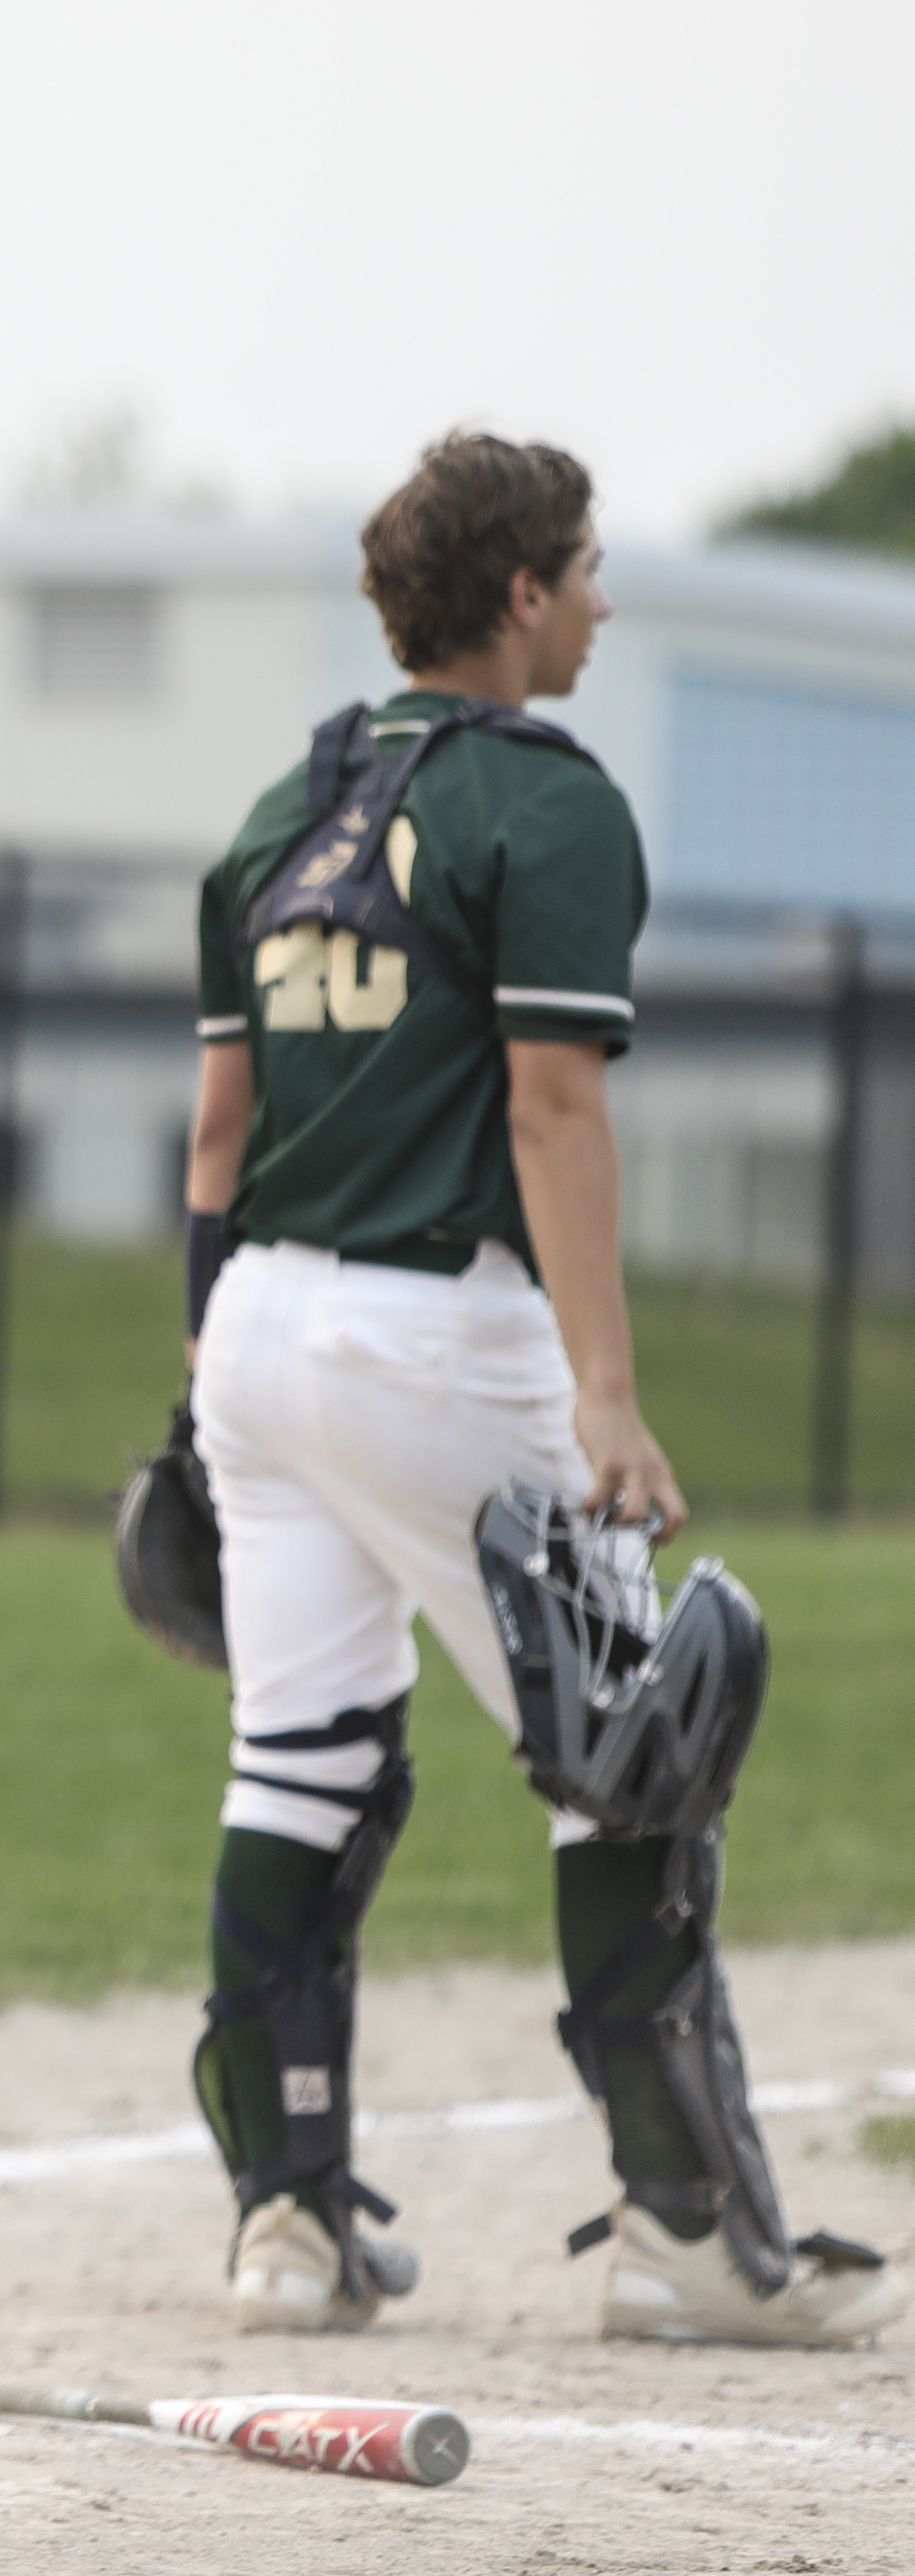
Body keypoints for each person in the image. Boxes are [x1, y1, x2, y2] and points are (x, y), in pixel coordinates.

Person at [179, 430, 899, 2345]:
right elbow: (551, 1098)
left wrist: (199, 1379)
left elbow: (215, 1129)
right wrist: (606, 1387)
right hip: (440, 1331)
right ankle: (683, 2235)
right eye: (582, 566)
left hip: (257, 1324)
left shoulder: (285, 807)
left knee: (297, 1752)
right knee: (632, 1764)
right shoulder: (542, 804)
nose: (600, 597)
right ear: (515, 596)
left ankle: (285, 2220)